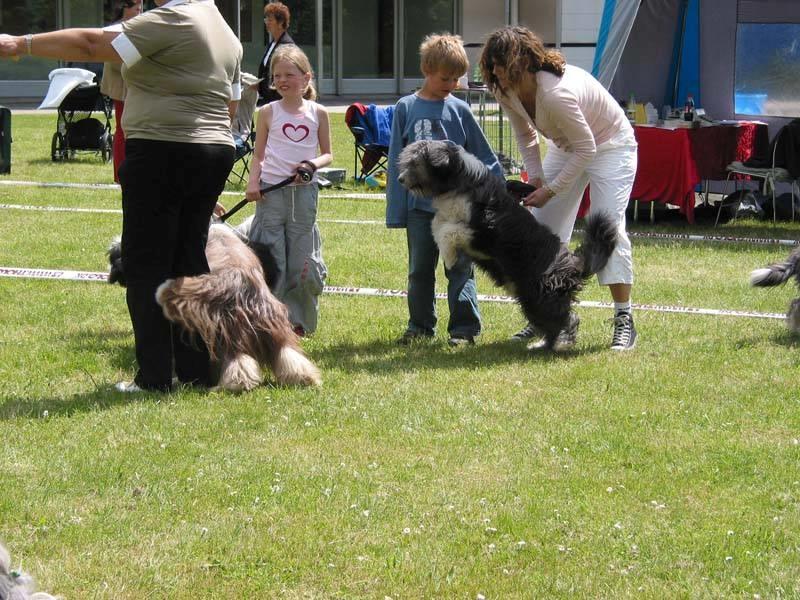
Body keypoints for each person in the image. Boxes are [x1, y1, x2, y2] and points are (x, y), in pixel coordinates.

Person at [0, 0, 243, 392]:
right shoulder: (223, 29)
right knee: (190, 262)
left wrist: (21, 43)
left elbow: (91, 45)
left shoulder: (172, 20)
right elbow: (231, 104)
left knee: (146, 263)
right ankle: (196, 372)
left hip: (163, 148)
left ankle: (154, 379)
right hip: (214, 148)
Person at [479, 26, 638, 351]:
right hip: (569, 146)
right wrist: (536, 179)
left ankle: (624, 319)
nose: (494, 71)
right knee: (540, 231)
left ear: (520, 61)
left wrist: (551, 190)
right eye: (491, 63)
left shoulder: (554, 92)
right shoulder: (506, 89)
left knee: (608, 228)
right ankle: (547, 316)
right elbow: (525, 136)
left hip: (611, 146)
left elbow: (588, 149)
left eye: (499, 63)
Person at [386, 33, 503, 347]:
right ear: (426, 69)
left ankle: (464, 329)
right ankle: (420, 326)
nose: (451, 84)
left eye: (456, 79)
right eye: (445, 78)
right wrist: (397, 211)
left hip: (457, 211)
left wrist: (495, 194)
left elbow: (485, 158)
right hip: (419, 213)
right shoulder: (405, 108)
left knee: (460, 269)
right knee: (419, 271)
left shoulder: (460, 111)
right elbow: (397, 162)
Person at [245, 44, 331, 337]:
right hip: (272, 194)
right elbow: (258, 155)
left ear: (306, 78)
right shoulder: (267, 112)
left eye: (289, 74)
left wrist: (311, 163)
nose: (282, 80)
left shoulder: (318, 113)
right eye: (276, 75)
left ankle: (298, 322)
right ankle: (269, 321)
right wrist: (253, 182)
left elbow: (327, 154)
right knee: (272, 258)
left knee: (300, 260)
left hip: (304, 196)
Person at [100, 0, 142, 183]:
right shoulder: (116, 29)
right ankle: (119, 174)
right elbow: (115, 61)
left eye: (141, 8)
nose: (140, 11)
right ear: (124, 9)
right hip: (122, 86)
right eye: (136, 8)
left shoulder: (138, 27)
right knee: (122, 131)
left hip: (134, 85)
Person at [256, 1, 294, 107]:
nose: (266, 22)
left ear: (281, 22)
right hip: (268, 100)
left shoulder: (286, 45)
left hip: (279, 100)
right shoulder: (273, 43)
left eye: (270, 19)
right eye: (266, 19)